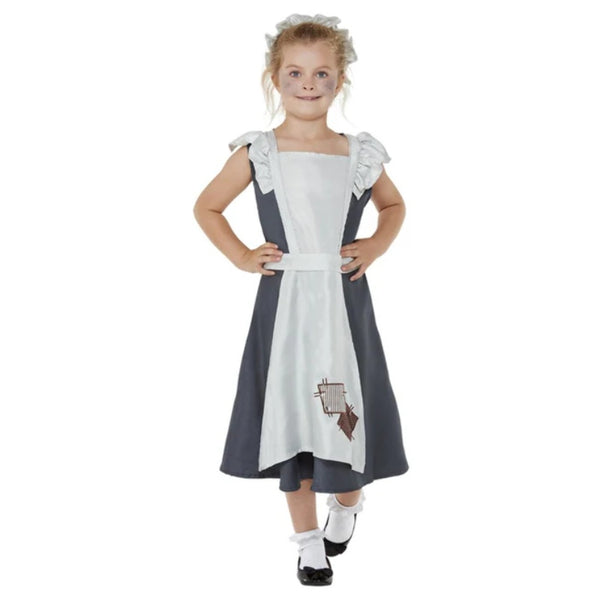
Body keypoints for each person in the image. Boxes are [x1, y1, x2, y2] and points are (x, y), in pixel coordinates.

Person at [193, 13, 409, 586]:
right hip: (285, 308)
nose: (307, 84)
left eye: (321, 74)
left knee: (343, 412)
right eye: (295, 73)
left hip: (343, 307)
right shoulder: (259, 151)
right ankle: (309, 543)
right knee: (292, 416)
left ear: (340, 80)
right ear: (275, 77)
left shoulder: (358, 153)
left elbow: (394, 206)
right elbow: (207, 207)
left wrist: (375, 245)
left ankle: (348, 501)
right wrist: (242, 256)